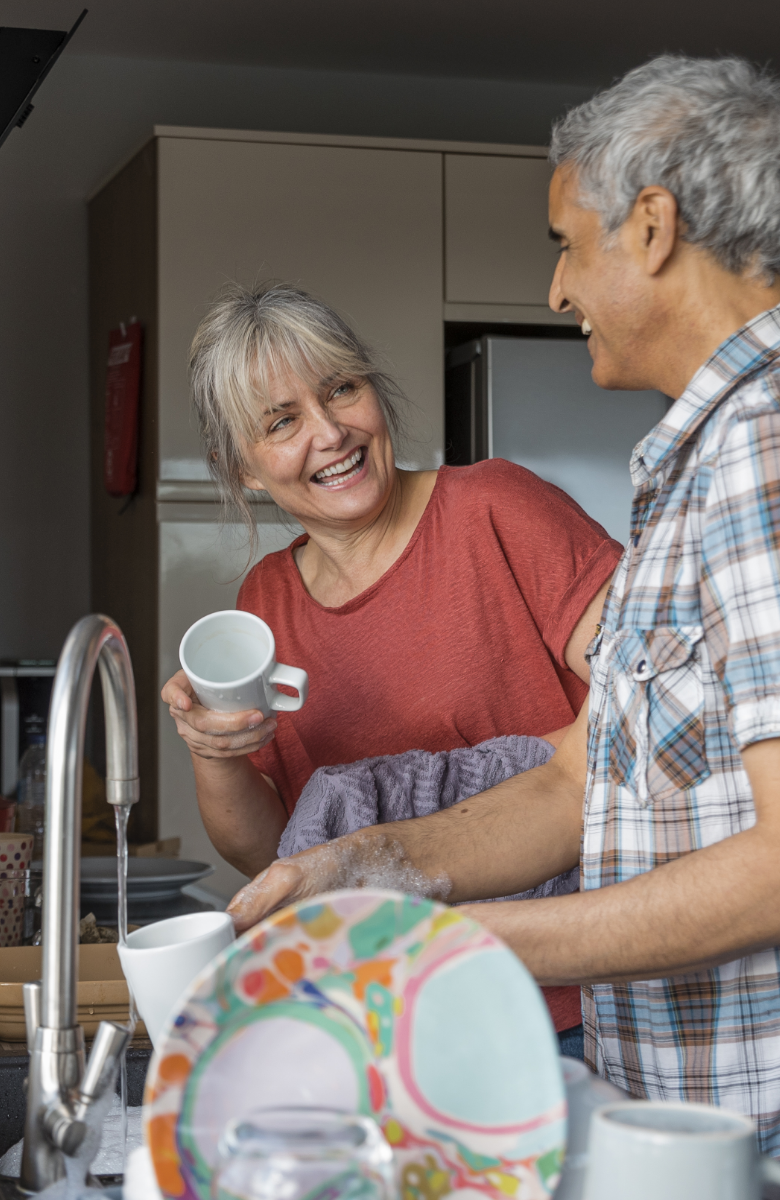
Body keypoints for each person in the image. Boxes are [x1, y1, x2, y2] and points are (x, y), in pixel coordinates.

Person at [228, 56, 780, 1198]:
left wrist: (452, 948)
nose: (556, 290)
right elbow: (583, 778)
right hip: (702, 1131)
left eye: (566, 241)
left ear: (651, 229)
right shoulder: (704, 468)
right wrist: (368, 868)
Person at [161, 282, 623, 1045]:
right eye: (283, 421)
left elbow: (652, 704)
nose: (332, 432)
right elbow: (274, 848)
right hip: (395, 1013)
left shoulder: (498, 508)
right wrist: (212, 749)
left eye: (342, 388)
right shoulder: (266, 599)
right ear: (241, 468)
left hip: (566, 1004)